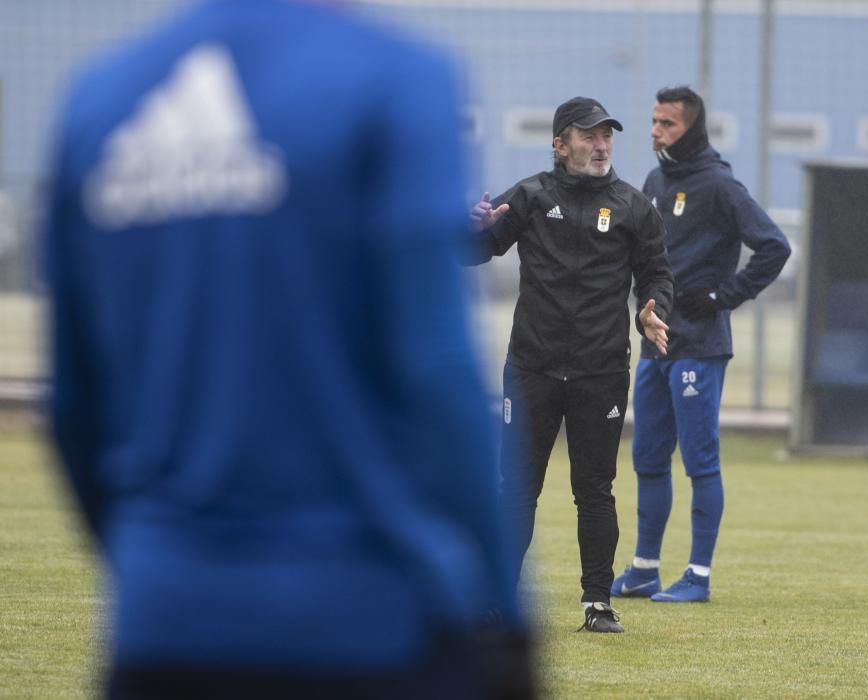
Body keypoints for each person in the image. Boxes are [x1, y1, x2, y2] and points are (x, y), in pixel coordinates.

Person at [43, 1, 534, 697]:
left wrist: (163, 567)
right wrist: (506, 621)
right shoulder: (398, 76)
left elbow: (75, 405)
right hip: (365, 622)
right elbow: (436, 373)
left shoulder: (99, 98)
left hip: (166, 624)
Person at [468, 96, 674, 633]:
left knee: (595, 489)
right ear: (560, 144)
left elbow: (656, 275)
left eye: (606, 135)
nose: (601, 144)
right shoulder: (531, 196)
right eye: (588, 135)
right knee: (515, 489)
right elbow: (475, 249)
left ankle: (598, 604)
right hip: (532, 367)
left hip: (600, 370)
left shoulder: (634, 206)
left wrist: (653, 312)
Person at [612, 86, 791, 603]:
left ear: (691, 128)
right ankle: (645, 567)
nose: (654, 132)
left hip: (699, 346)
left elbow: (774, 246)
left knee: (700, 462)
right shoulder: (653, 180)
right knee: (646, 457)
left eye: (666, 124)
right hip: (654, 347)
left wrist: (721, 296)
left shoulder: (719, 185)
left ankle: (698, 575)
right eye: (653, 122)